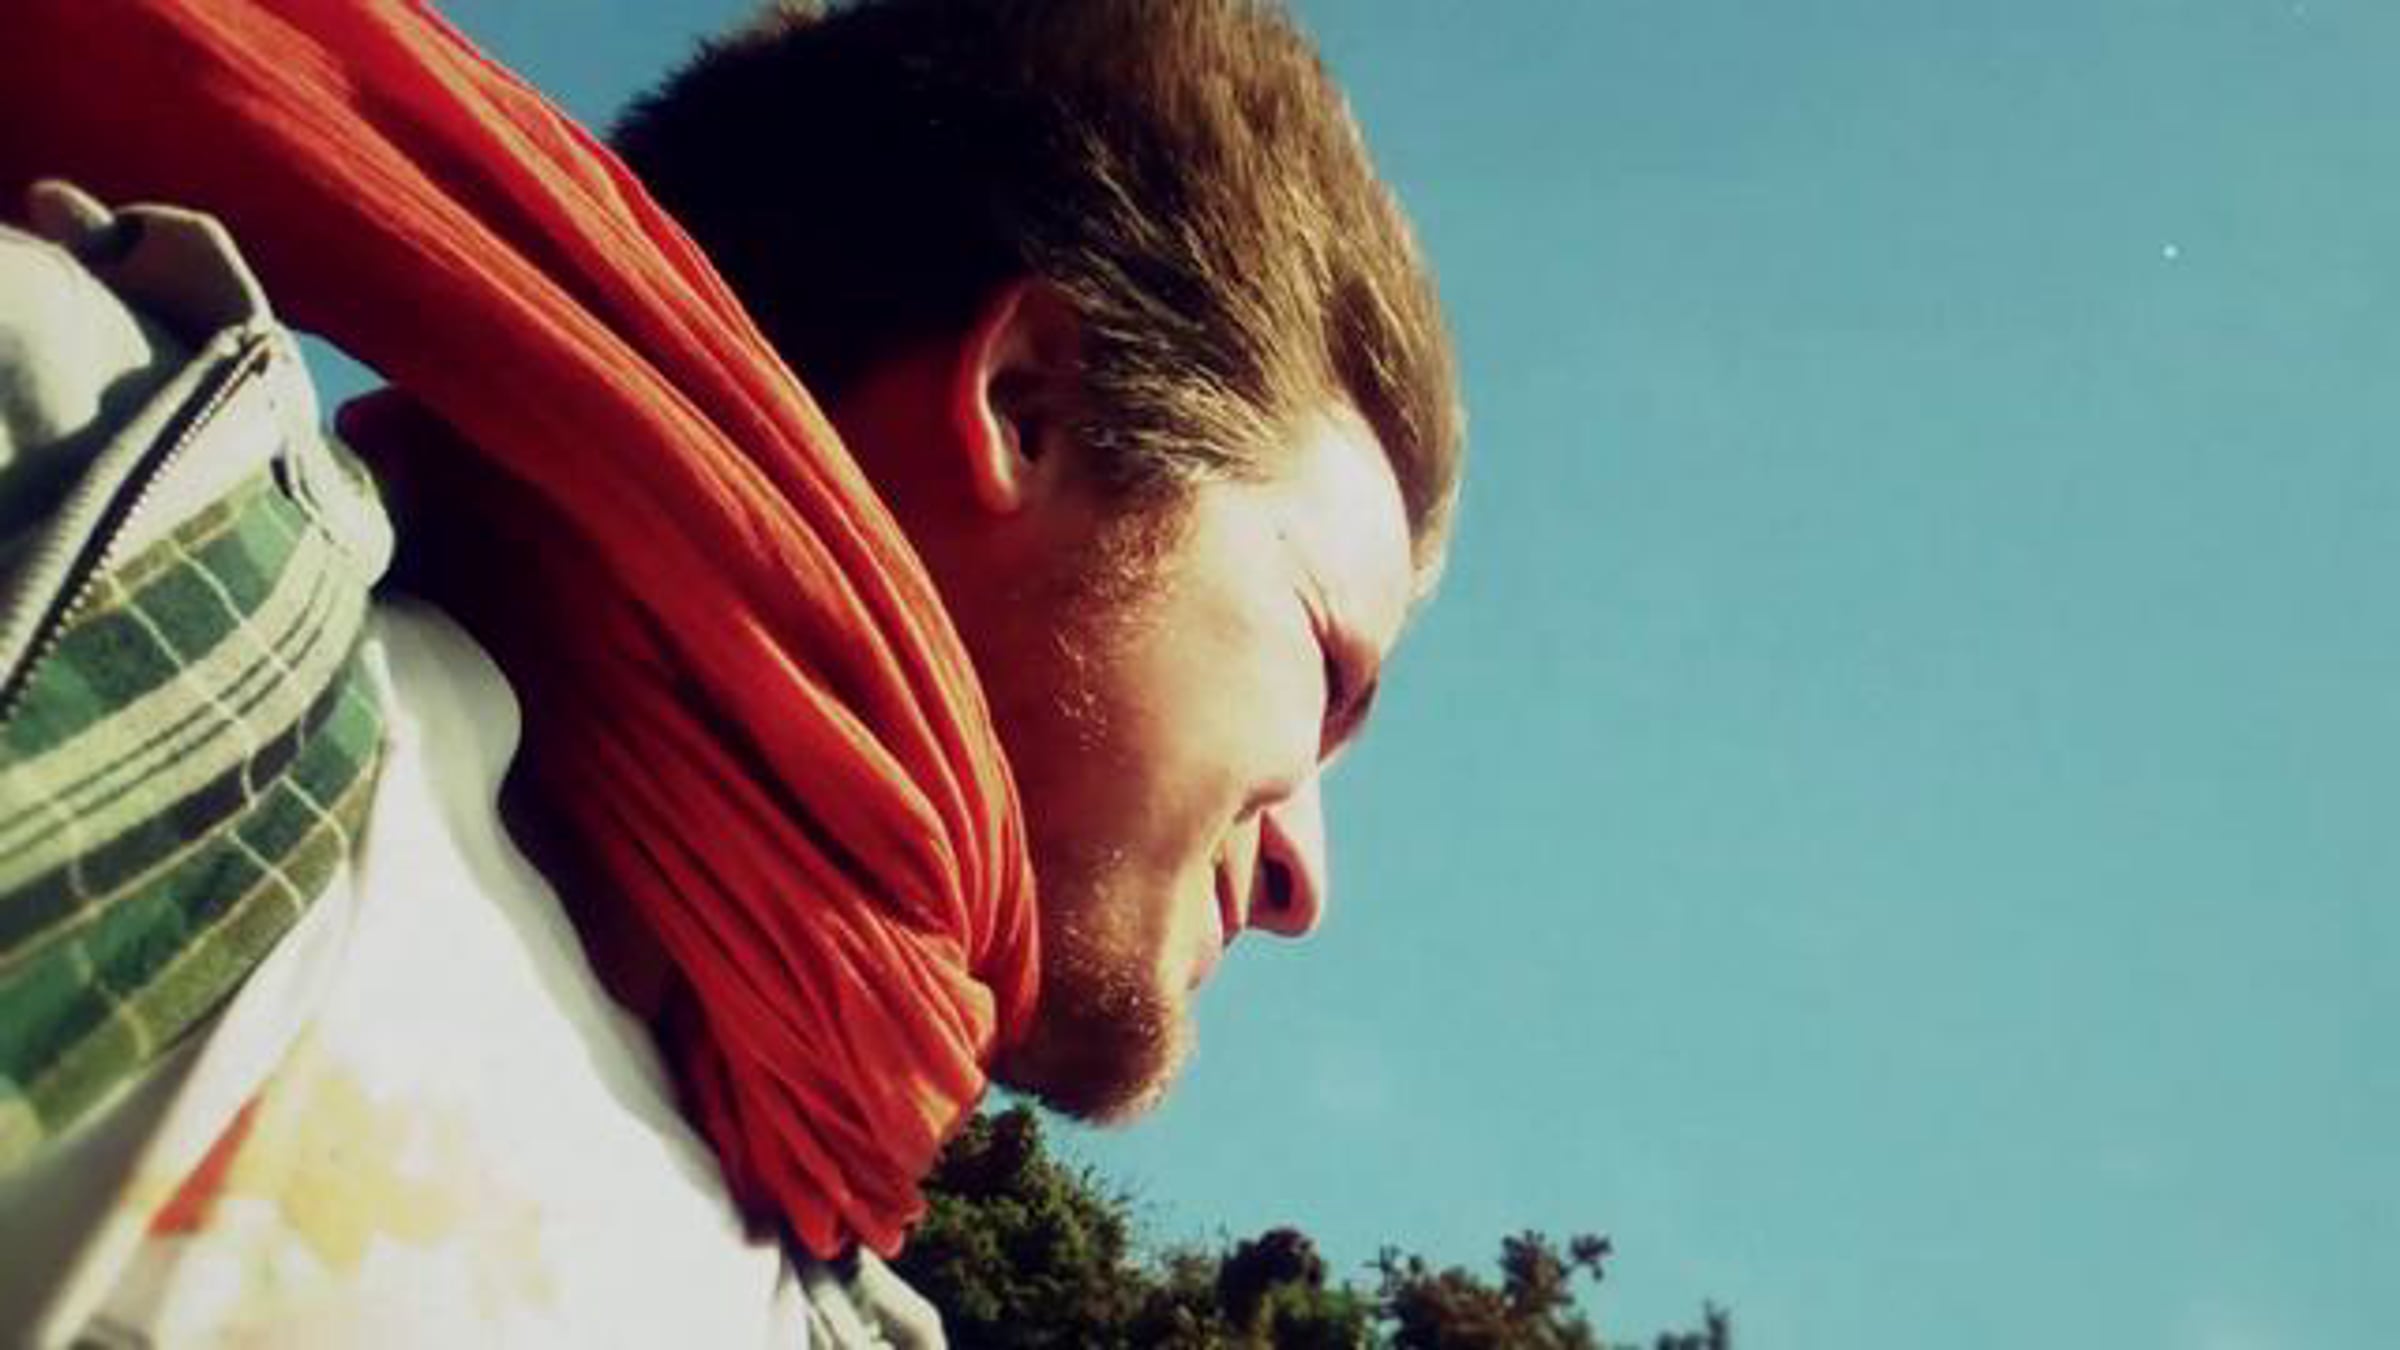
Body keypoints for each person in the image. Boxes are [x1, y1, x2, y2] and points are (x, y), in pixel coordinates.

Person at [0, 1, 1459, 1344]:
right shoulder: (109, 538)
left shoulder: (836, 1303)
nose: (1306, 877)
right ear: (1026, 406)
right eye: (1325, 664)